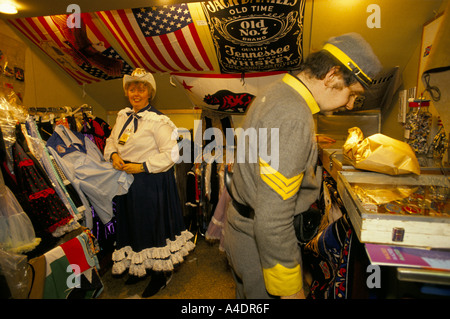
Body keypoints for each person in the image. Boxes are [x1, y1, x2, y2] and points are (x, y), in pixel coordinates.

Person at [223, 33, 382, 299]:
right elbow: (273, 220)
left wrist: (305, 142)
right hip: (261, 243)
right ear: (332, 75)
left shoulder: (279, 92)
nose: (350, 104)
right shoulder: (294, 114)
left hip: (242, 229)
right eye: (352, 93)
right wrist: (290, 289)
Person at [104, 68, 195, 298]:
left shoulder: (159, 121)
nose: (136, 93)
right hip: (126, 182)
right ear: (127, 92)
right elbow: (111, 141)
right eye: (132, 88)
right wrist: (114, 156)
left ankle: (159, 275)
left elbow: (172, 153)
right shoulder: (123, 116)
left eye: (141, 88)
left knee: (151, 227)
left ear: (149, 93)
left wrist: (142, 166)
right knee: (133, 225)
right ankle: (139, 267)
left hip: (150, 182)